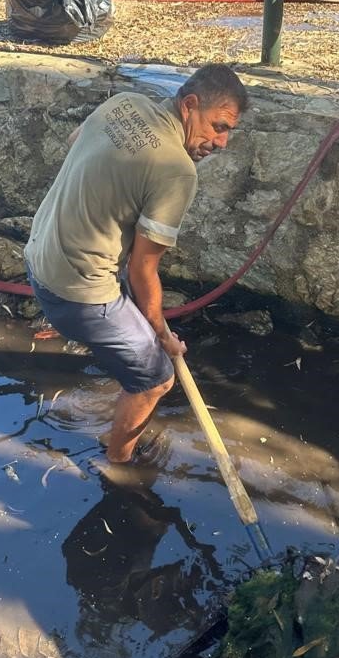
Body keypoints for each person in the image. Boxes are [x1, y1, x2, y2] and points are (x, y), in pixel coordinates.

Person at [24, 64, 248, 464]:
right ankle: (120, 463)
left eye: (228, 130)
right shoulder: (177, 172)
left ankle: (124, 377)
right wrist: (162, 335)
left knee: (139, 341)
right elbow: (142, 269)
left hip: (37, 259)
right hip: (80, 294)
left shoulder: (124, 104)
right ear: (190, 105)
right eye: (218, 126)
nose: (222, 142)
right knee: (156, 379)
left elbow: (77, 140)